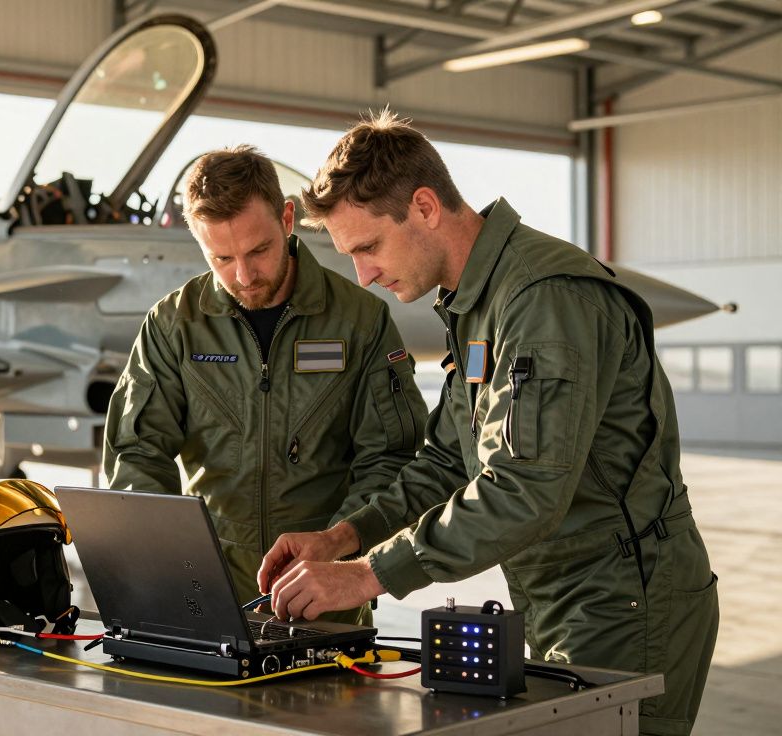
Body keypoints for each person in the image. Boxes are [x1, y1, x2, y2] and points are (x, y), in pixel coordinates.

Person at [257, 111, 717, 735]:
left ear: (424, 207)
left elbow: (524, 489)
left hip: (624, 601)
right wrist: (342, 537)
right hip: (559, 595)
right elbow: (448, 463)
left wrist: (368, 575)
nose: (363, 275)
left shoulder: (544, 299)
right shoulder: (479, 303)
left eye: (367, 247)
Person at [102, 145, 427, 624]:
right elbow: (137, 453)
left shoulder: (361, 321)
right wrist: (169, 563)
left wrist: (339, 551)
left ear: (288, 219)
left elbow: (390, 459)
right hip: (205, 594)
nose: (244, 275)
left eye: (258, 250)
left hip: (324, 596)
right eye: (222, 258)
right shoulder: (175, 325)